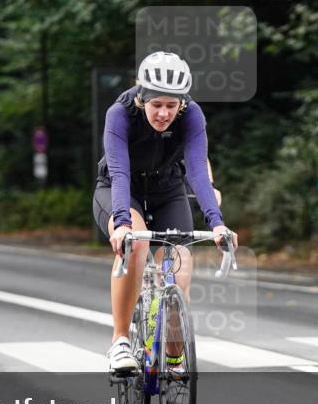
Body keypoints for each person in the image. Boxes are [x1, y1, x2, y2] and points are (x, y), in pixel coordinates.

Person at [93, 51, 237, 374]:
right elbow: (119, 172)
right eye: (157, 105)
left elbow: (198, 171)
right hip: (121, 190)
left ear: (182, 104)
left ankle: (171, 359)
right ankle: (120, 342)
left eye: (172, 106)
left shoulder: (192, 116)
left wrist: (217, 224)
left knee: (180, 270)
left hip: (167, 190)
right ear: (142, 98)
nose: (163, 114)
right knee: (138, 245)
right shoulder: (120, 114)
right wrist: (122, 224)